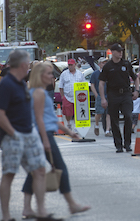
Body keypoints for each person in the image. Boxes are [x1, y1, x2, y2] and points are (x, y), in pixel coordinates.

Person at [21, 62, 89, 219]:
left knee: (35, 172)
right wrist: (45, 140)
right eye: (49, 74)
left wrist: (69, 132)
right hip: (41, 135)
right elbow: (39, 119)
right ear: (40, 76)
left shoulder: (40, 92)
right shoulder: (38, 93)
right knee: (61, 168)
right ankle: (72, 204)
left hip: (41, 134)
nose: (52, 76)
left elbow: (51, 119)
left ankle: (26, 208)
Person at [0, 50, 53, 221]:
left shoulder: (21, 83)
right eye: (28, 63)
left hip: (29, 133)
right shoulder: (6, 84)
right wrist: (13, 134)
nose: (29, 66)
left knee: (40, 170)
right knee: (9, 174)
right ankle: (6, 217)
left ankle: (41, 211)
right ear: (22, 65)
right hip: (13, 137)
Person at [99, 43, 139, 153]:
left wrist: (136, 90)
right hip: (113, 94)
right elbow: (101, 83)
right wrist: (103, 98)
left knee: (128, 117)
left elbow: (135, 78)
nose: (120, 52)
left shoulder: (126, 64)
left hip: (126, 94)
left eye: (121, 50)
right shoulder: (108, 66)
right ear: (112, 52)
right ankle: (118, 145)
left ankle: (127, 143)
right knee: (114, 120)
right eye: (118, 51)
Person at [58, 59, 84, 130]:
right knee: (68, 113)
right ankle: (69, 123)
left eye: (71, 65)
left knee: (77, 112)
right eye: (69, 65)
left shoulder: (80, 73)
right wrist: (62, 96)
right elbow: (61, 86)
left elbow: (83, 84)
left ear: (75, 65)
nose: (70, 66)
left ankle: (76, 126)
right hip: (67, 96)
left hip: (78, 97)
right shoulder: (64, 74)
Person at [90, 57, 111, 136]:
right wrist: (96, 95)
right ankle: (96, 125)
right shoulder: (95, 74)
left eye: (106, 63)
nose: (104, 64)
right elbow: (92, 85)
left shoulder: (109, 73)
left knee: (109, 113)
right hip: (100, 95)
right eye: (103, 63)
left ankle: (107, 130)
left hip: (108, 95)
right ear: (99, 64)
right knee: (99, 112)